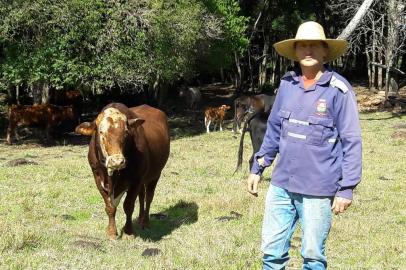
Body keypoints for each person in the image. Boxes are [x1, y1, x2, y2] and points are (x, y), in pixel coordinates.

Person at [246, 21, 362, 270]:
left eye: (314, 45)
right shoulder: (287, 85)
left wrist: (347, 188)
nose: (308, 50)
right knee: (271, 251)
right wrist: (258, 167)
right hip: (281, 185)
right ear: (296, 52)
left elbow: (351, 141)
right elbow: (274, 129)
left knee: (312, 256)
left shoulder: (338, 90)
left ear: (324, 52)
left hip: (318, 189)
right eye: (302, 46)